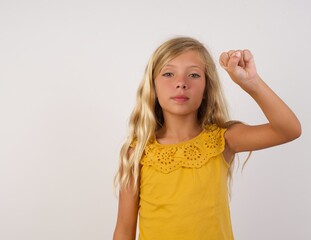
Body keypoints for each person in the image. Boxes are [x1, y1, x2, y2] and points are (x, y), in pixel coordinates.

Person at [113, 37, 301, 240]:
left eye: (193, 75)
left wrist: (251, 82)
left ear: (206, 89)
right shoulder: (138, 152)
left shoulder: (224, 139)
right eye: (168, 74)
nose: (181, 83)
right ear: (153, 87)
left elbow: (288, 129)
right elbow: (124, 229)